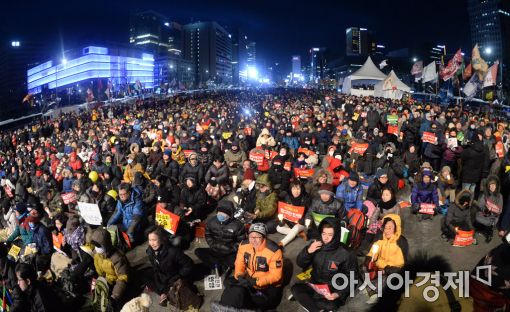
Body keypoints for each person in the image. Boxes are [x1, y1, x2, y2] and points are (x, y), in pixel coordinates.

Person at [292, 217, 358, 311]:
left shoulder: (346, 253)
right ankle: (315, 308)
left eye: (330, 235)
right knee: (295, 289)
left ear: (336, 235)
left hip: (333, 289)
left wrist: (338, 294)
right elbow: (300, 263)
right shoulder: (315, 245)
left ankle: (309, 303)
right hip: (315, 285)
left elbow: (353, 278)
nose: (326, 238)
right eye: (324, 233)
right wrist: (308, 251)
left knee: (330, 305)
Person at [217, 223, 283, 311]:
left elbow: (276, 276)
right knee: (229, 283)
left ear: (264, 237)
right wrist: (239, 275)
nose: (253, 240)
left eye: (258, 237)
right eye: (251, 236)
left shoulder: (274, 251)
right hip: (250, 279)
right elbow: (239, 263)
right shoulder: (244, 245)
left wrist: (256, 282)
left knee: (265, 303)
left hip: (267, 286)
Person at [146, 226, 194, 307]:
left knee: (172, 283)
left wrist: (178, 276)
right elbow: (155, 269)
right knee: (143, 275)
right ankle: (165, 292)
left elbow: (188, 265)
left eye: (154, 240)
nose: (151, 243)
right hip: (163, 275)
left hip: (174, 276)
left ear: (162, 239)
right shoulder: (150, 251)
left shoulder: (173, 251)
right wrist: (158, 279)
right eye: (150, 240)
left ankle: (165, 292)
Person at [365, 214, 408, 304]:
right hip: (379, 268)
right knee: (364, 268)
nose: (387, 230)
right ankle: (373, 291)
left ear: (396, 228)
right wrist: (369, 261)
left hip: (392, 271)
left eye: (390, 228)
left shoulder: (401, 242)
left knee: (388, 279)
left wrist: (386, 270)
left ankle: (380, 294)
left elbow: (401, 266)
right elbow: (373, 252)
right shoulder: (380, 238)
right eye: (385, 228)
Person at [195, 200, 246, 273]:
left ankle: (217, 264)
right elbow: (208, 234)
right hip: (215, 249)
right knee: (198, 251)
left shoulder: (238, 225)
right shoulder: (211, 222)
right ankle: (219, 265)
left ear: (229, 214)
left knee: (237, 260)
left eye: (223, 213)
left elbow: (241, 241)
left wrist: (231, 249)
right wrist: (212, 244)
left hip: (229, 252)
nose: (220, 215)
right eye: (219, 213)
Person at [91, 227, 130, 308]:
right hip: (109, 280)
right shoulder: (97, 255)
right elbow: (100, 273)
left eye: (98, 246)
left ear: (106, 245)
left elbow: (123, 277)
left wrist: (115, 296)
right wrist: (98, 283)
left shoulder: (118, 258)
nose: (96, 249)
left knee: (113, 304)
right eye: (95, 246)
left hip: (119, 282)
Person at [276, 181, 310, 247]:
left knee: (296, 228)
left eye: (298, 189)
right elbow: (283, 210)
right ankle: (299, 234)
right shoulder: (287, 197)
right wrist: (281, 219)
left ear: (301, 189)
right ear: (291, 189)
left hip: (300, 222)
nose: (296, 191)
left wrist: (303, 220)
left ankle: (282, 243)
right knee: (278, 228)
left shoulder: (307, 198)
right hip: (290, 221)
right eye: (294, 189)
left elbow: (309, 213)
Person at [475, 175, 503, 242]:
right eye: (490, 185)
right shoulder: (485, 194)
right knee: (477, 217)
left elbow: (500, 210)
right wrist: (484, 209)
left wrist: (493, 211)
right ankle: (482, 229)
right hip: (485, 212)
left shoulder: (499, 196)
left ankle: (489, 233)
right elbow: (480, 205)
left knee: (489, 222)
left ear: (496, 186)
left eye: (493, 185)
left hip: (493, 215)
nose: (491, 187)